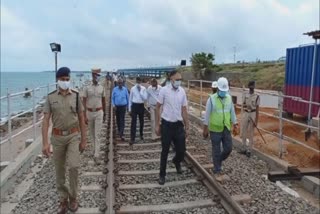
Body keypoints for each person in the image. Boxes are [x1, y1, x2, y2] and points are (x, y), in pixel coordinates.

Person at [42, 67, 86, 214]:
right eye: (62, 80)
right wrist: (45, 143)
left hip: (74, 136)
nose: (65, 82)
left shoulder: (76, 96)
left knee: (74, 166)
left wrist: (84, 140)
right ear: (57, 80)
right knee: (59, 170)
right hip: (57, 138)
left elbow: (81, 118)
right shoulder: (50, 97)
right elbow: (46, 120)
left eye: (67, 80)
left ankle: (73, 197)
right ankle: (63, 199)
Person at [156, 70, 189, 185]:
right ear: (171, 80)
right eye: (177, 79)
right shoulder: (164, 90)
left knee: (181, 150)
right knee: (164, 151)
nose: (179, 81)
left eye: (180, 79)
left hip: (178, 125)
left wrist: (187, 126)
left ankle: (176, 161)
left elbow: (184, 109)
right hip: (167, 125)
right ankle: (162, 175)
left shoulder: (182, 92)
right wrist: (157, 124)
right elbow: (158, 106)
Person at [203, 77, 238, 174]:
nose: (223, 92)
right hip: (214, 129)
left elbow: (232, 112)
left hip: (226, 127)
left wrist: (235, 123)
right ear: (218, 89)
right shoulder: (211, 99)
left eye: (225, 91)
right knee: (216, 149)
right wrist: (205, 129)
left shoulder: (229, 98)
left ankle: (218, 160)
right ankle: (217, 168)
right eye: (221, 90)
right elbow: (207, 115)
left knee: (228, 148)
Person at [83, 68, 106, 163]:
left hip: (99, 112)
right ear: (92, 75)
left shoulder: (102, 87)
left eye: (98, 75)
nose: (96, 77)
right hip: (89, 112)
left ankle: (97, 154)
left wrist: (104, 113)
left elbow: (104, 101)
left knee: (97, 134)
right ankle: (94, 150)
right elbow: (84, 101)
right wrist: (84, 115)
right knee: (91, 134)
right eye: (95, 75)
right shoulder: (87, 87)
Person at [240, 81, 260, 157]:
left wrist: (256, 121)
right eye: (250, 86)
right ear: (249, 86)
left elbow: (258, 109)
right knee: (244, 131)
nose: (252, 87)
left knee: (251, 133)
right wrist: (246, 107)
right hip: (246, 113)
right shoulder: (245, 95)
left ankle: (249, 150)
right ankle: (243, 148)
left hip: (253, 113)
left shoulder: (257, 96)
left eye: (253, 86)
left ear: (254, 87)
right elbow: (243, 104)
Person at [129, 77, 147, 145]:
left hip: (141, 105)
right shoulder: (133, 88)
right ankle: (132, 138)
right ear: (136, 81)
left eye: (139, 81)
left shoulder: (143, 89)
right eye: (137, 81)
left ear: (141, 81)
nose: (138, 82)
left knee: (141, 121)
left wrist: (140, 92)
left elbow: (145, 98)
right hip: (134, 105)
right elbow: (130, 99)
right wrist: (130, 109)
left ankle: (141, 134)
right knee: (133, 122)